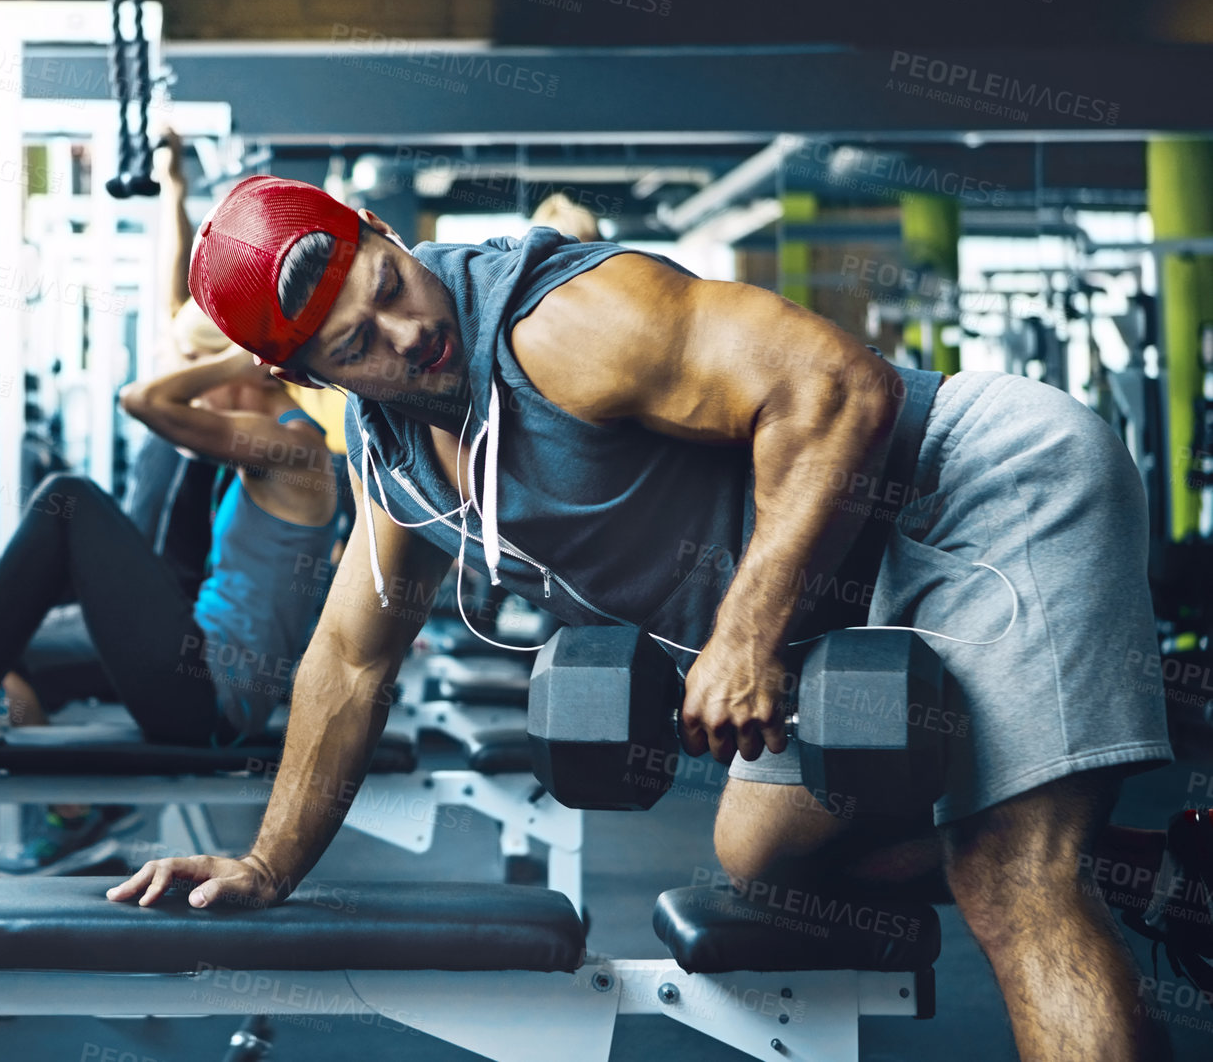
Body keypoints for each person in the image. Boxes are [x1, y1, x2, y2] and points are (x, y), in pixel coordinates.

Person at [107, 174, 1211, 1061]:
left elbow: (835, 391)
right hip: (835, 601)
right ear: (293, 370)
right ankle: (1147, 865)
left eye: (388, 283)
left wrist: (742, 637)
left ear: (382, 230)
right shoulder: (394, 464)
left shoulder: (561, 323)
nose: (401, 332)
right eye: (353, 343)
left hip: (966, 488)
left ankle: (1053, 825)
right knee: (758, 855)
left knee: (1011, 880)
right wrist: (262, 863)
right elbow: (349, 659)